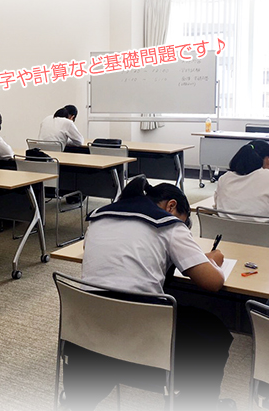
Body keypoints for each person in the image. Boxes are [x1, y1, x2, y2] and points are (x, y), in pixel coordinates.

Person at [63, 175, 234, 411]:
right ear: (171, 206)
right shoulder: (169, 224)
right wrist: (213, 260)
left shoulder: (99, 217)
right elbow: (213, 283)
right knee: (214, 331)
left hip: (87, 338)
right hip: (143, 343)